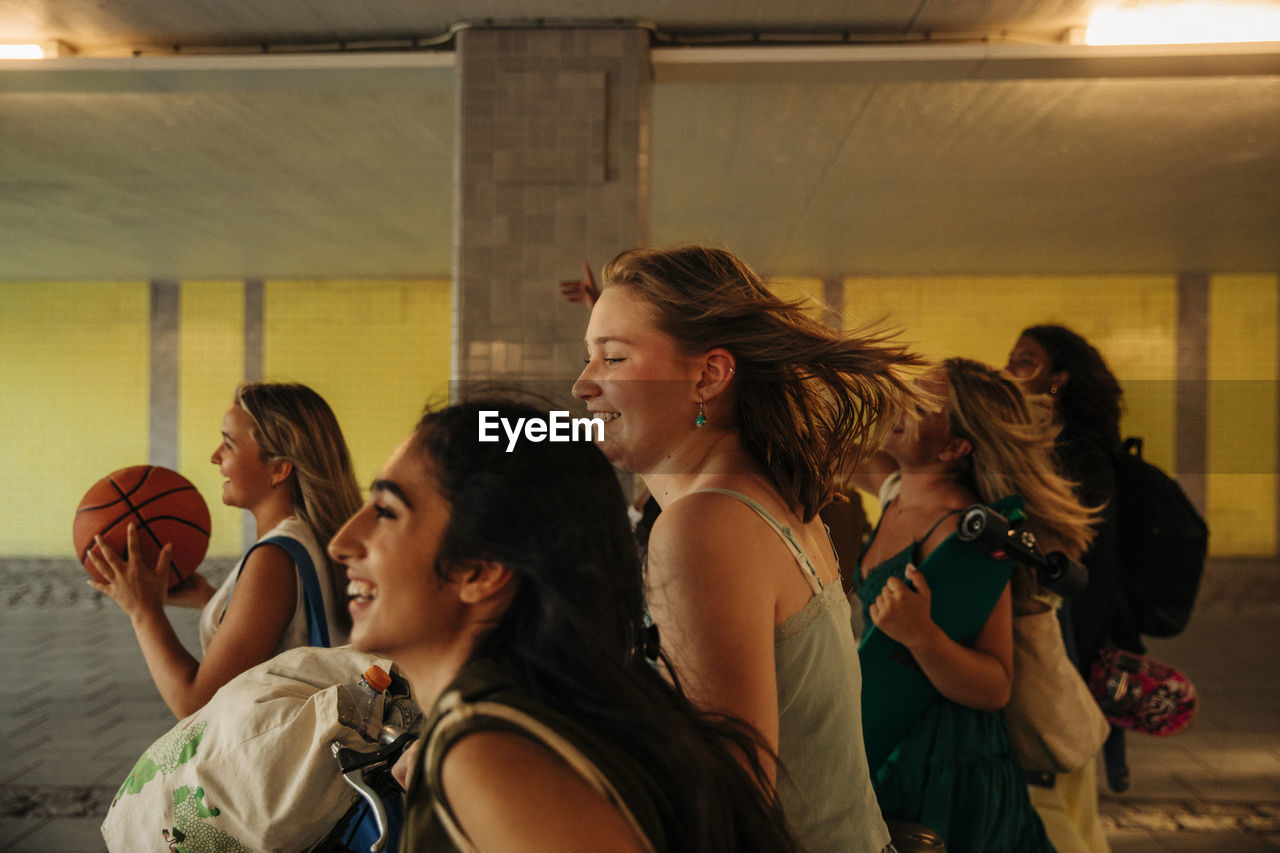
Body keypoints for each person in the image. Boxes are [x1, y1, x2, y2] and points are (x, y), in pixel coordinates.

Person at [328, 397, 801, 853]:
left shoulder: (489, 752)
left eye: (387, 512)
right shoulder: (545, 712)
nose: (342, 542)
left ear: (480, 569)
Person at [572, 246, 924, 853]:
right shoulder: (764, 499)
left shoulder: (705, 526)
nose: (581, 385)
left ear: (708, 375)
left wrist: (510, 761)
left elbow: (723, 800)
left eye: (615, 357)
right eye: (589, 356)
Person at [852, 357, 1096, 853]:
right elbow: (846, 446)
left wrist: (922, 635)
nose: (904, 404)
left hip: (950, 770)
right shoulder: (900, 494)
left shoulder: (968, 534)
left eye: (922, 404)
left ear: (955, 447)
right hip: (893, 752)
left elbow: (995, 685)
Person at [87, 381, 361, 718]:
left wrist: (143, 611)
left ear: (278, 468)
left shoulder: (274, 558)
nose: (215, 456)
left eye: (229, 444)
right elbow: (286, 630)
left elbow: (197, 704)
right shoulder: (320, 536)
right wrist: (209, 599)